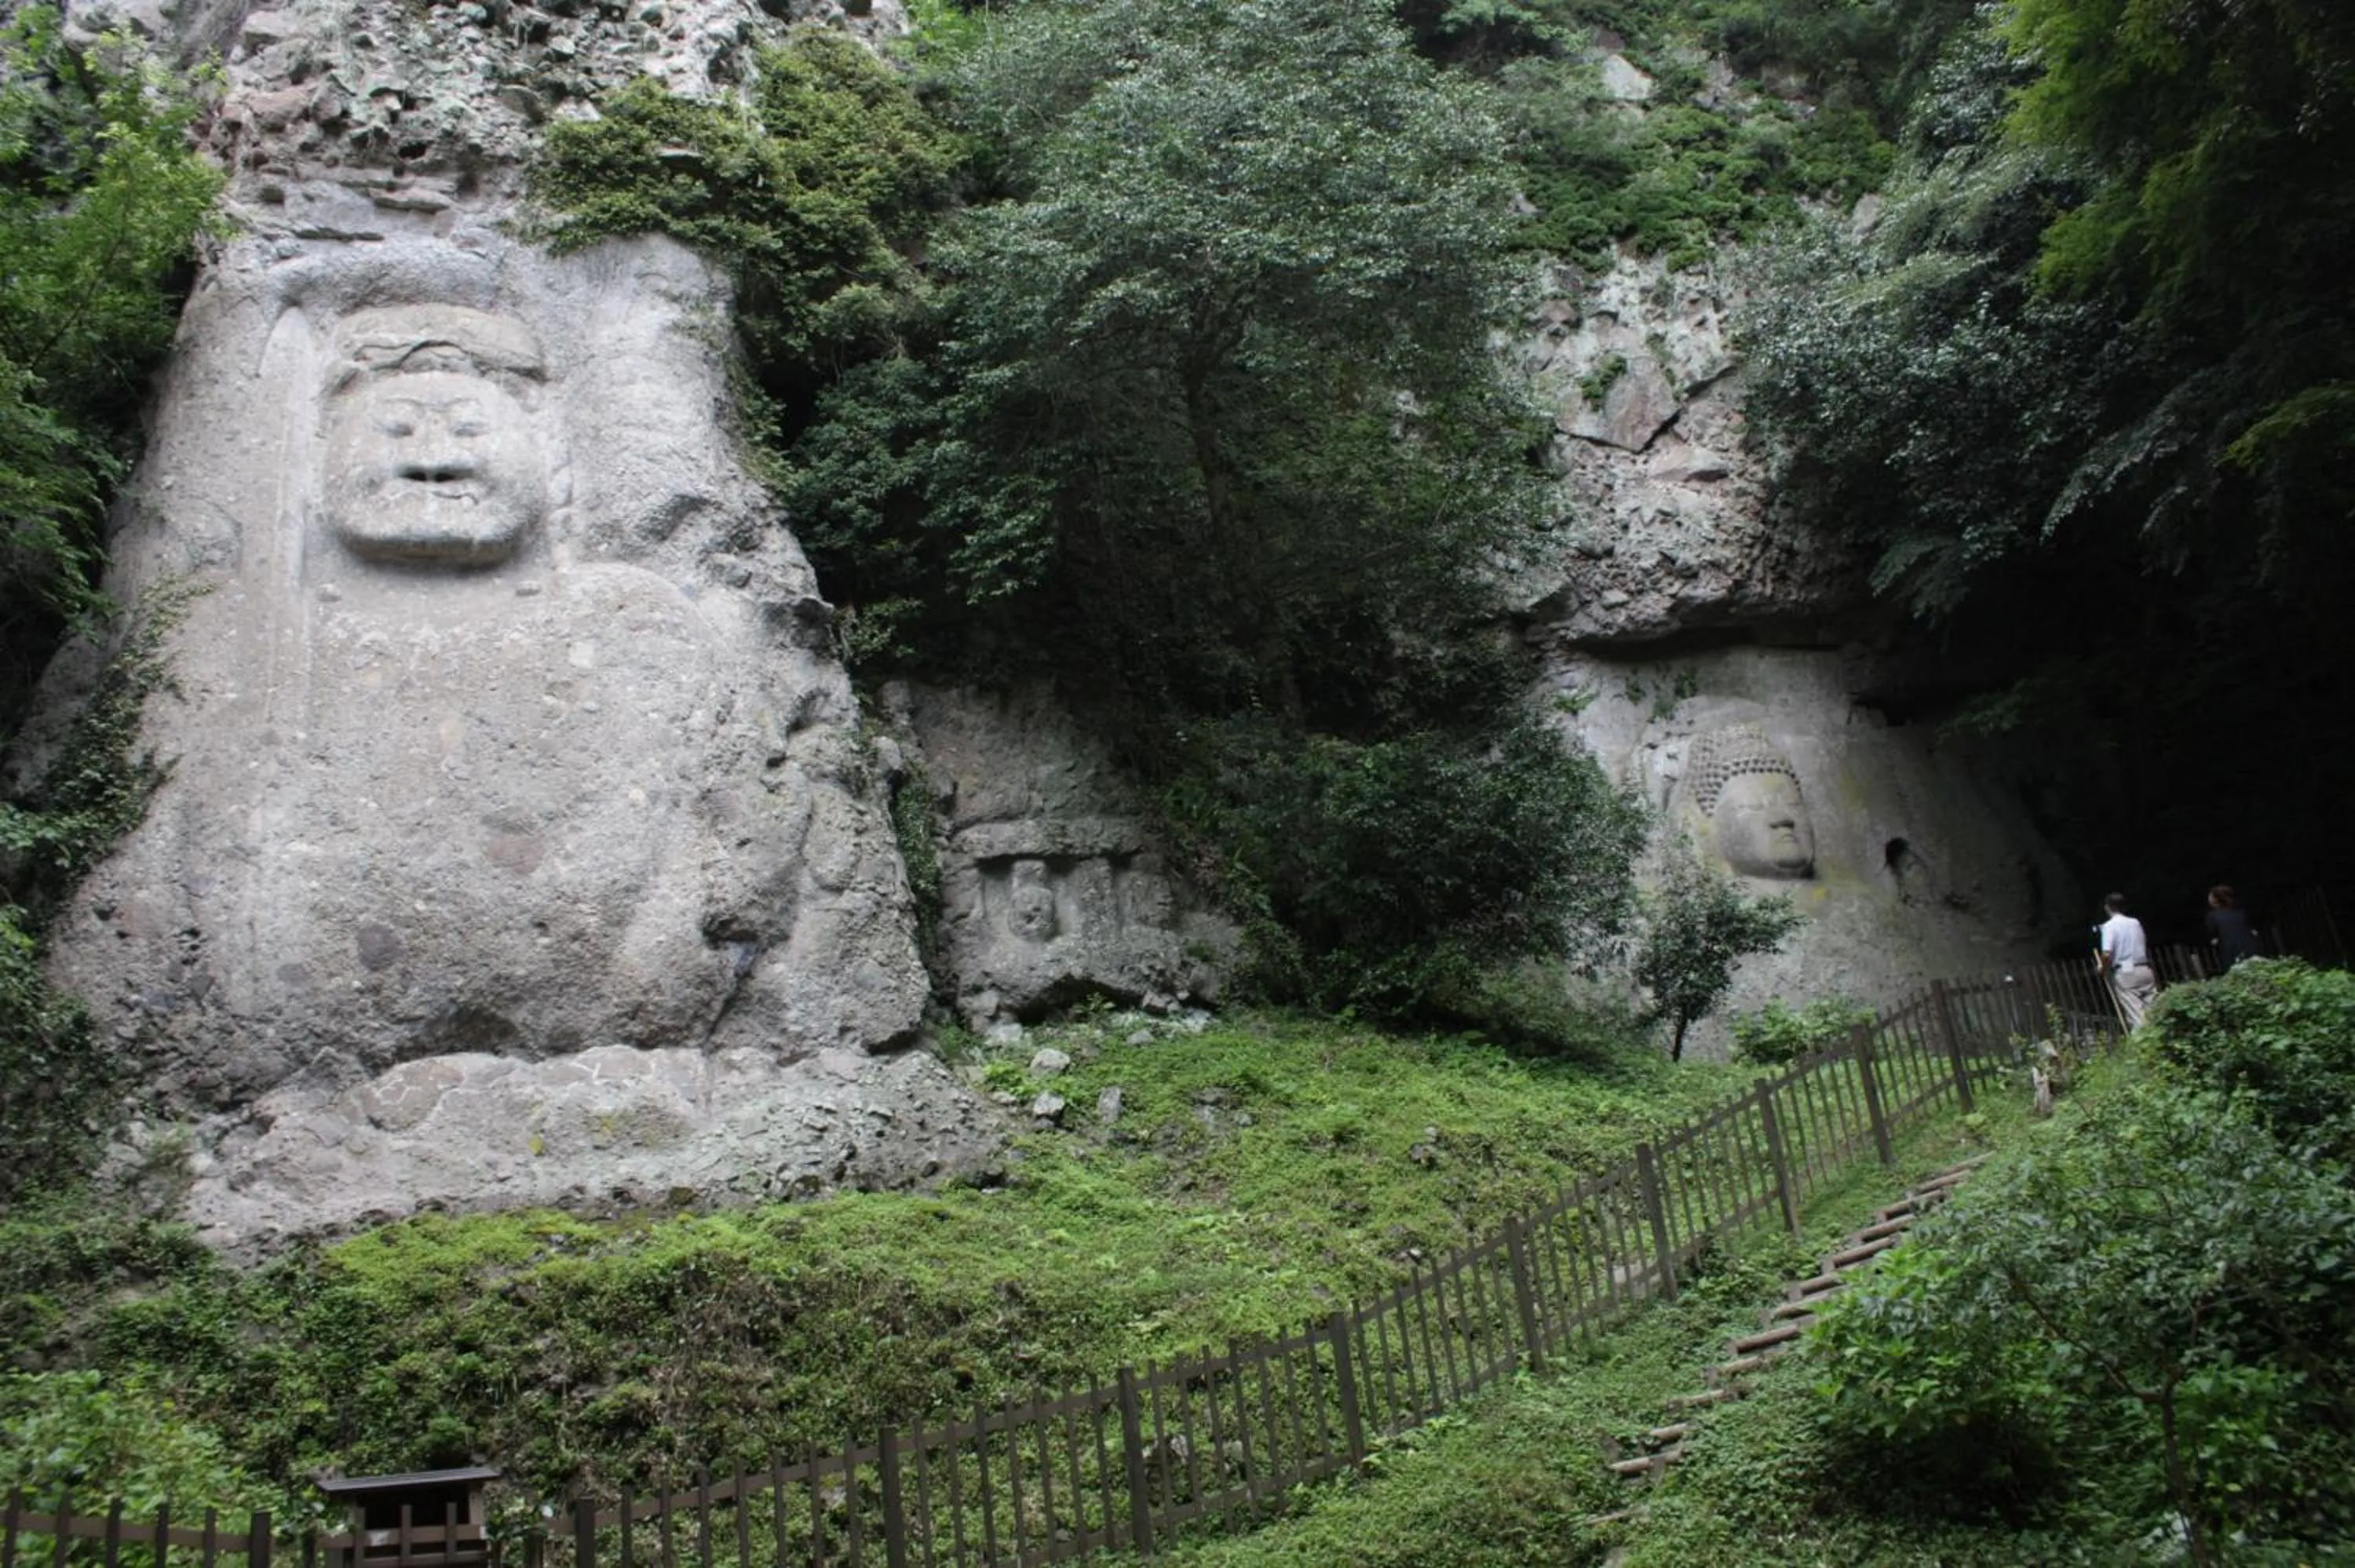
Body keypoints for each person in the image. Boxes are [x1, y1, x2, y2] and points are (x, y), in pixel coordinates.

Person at [2096, 892, 2158, 1029]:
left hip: (2125, 971)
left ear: (2107, 908)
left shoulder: (2109, 926)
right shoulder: (2135, 923)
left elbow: (2107, 953)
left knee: (2136, 1016)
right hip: (2144, 968)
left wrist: (2102, 967)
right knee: (2154, 1012)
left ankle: (2144, 1045)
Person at [2203, 884, 2262, 972]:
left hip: (2230, 951)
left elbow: (2213, 935)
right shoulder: (2241, 912)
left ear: (2216, 899)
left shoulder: (2212, 916)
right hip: (2252, 949)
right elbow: (2253, 931)